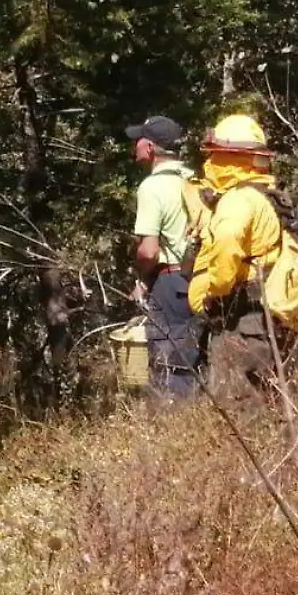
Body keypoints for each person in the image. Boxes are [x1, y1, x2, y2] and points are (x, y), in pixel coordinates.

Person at [187, 109, 284, 398]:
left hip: (240, 315)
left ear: (229, 158)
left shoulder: (237, 200)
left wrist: (213, 291)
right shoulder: (263, 196)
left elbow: (228, 242)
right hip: (259, 314)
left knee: (236, 401)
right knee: (263, 397)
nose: (209, 163)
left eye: (214, 155)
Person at [125, 115, 200, 401]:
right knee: (196, 352)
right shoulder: (193, 178)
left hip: (169, 281)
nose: (135, 145)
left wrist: (142, 279)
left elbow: (149, 251)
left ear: (151, 147)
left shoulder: (152, 188)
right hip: (201, 278)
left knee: (169, 356)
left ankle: (174, 421)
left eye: (139, 140)